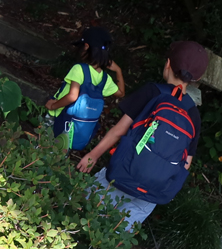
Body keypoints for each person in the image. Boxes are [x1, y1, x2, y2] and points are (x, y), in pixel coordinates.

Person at [76, 40, 208, 231]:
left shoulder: (153, 92)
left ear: (168, 64)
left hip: (121, 175)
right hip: (151, 193)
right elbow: (185, 163)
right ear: (197, 78)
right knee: (114, 238)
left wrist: (93, 156)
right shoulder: (193, 114)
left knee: (82, 216)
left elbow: (119, 130)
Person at [44, 26, 125, 151]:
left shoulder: (79, 69)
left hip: (59, 117)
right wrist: (118, 70)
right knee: (59, 153)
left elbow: (72, 96)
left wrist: (53, 106)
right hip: (73, 126)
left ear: (86, 46)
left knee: (41, 148)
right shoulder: (104, 78)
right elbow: (120, 93)